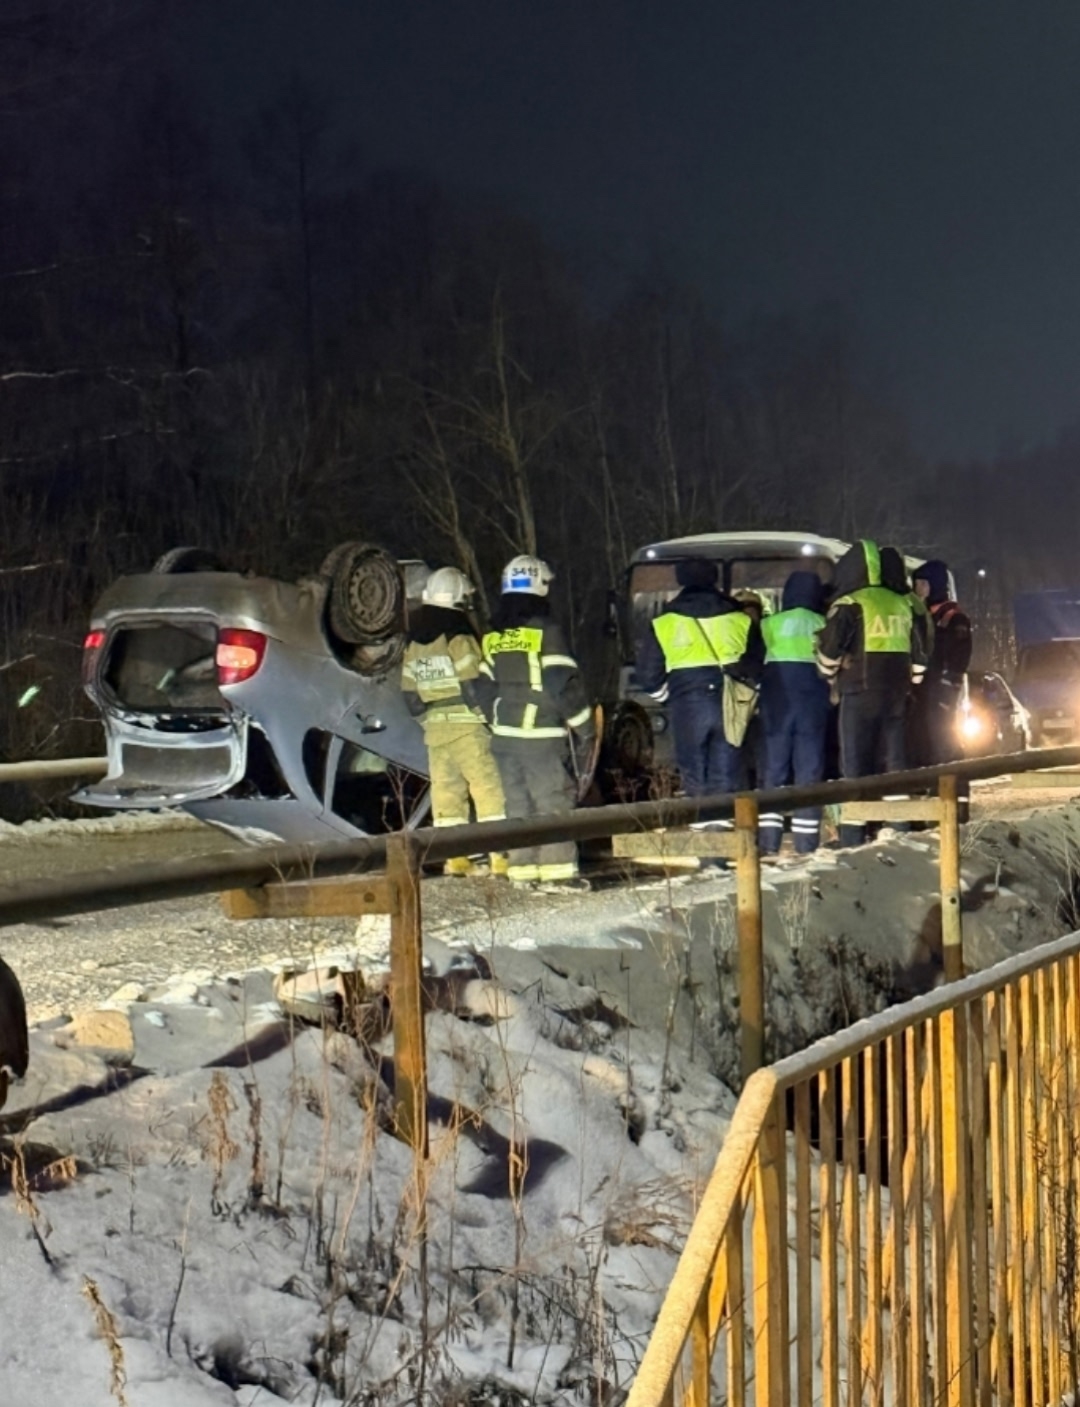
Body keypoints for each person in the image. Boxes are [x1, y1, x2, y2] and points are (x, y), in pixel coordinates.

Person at [480, 555, 595, 890]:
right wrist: (585, 727)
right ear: (540, 587)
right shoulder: (547, 632)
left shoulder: (494, 637)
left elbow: (480, 688)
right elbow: (562, 684)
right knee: (553, 803)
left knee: (517, 805)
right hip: (541, 736)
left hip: (504, 738)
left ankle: (522, 871)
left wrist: (496, 720)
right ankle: (558, 875)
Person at [816, 539, 926, 846]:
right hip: (897, 694)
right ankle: (899, 829)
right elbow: (920, 656)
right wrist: (913, 679)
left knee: (855, 765)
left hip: (858, 691)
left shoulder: (850, 603)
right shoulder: (903, 603)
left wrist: (829, 672)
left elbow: (829, 653)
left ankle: (853, 837)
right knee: (895, 763)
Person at [635, 557, 763, 819]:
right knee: (725, 774)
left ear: (681, 580)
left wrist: (668, 697)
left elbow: (647, 676)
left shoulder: (663, 623)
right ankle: (724, 831)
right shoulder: (740, 618)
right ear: (714, 579)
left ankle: (704, 835)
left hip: (686, 703)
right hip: (729, 703)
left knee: (694, 773)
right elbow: (757, 664)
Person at [401, 567, 506, 877]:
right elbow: (473, 686)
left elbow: (410, 696)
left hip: (436, 731)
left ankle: (456, 860)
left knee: (446, 795)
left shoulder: (413, 645)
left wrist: (430, 723)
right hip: (468, 727)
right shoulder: (458, 637)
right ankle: (500, 857)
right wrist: (489, 721)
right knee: (488, 789)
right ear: (459, 602)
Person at [757, 571, 830, 856]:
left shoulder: (769, 624)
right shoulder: (823, 624)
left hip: (777, 707)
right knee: (808, 774)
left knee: (773, 773)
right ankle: (806, 845)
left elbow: (755, 663)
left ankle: (768, 843)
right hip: (812, 707)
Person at [910, 559, 973, 765]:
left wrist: (950, 680)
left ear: (933, 585)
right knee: (928, 731)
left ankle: (953, 779)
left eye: (921, 584)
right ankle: (936, 776)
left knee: (942, 732)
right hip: (928, 684)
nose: (917, 589)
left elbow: (961, 654)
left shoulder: (953, 617)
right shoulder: (926, 614)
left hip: (942, 684)